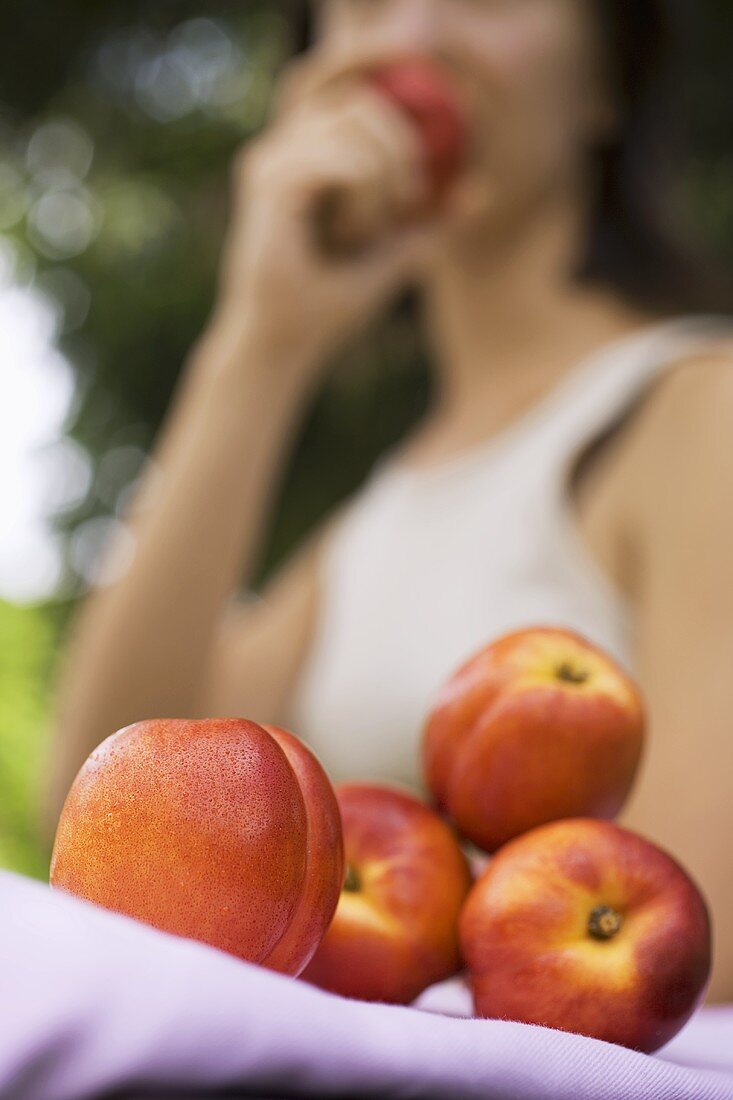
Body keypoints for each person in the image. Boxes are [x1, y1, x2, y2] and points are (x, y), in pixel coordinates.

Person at [50, 0, 732, 999]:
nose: (409, 40)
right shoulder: (375, 527)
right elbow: (107, 803)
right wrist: (261, 341)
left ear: (603, 80)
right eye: (362, 5)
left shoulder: (699, 410)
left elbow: (698, 947)